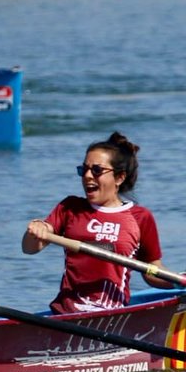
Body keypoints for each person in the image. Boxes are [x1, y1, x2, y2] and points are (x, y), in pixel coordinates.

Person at [22, 132, 175, 313]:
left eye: (96, 170)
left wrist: (175, 280)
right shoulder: (70, 208)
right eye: (83, 169)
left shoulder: (140, 217)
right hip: (66, 314)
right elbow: (29, 248)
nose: (87, 176)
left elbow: (152, 270)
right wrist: (37, 229)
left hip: (113, 315)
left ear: (119, 177)